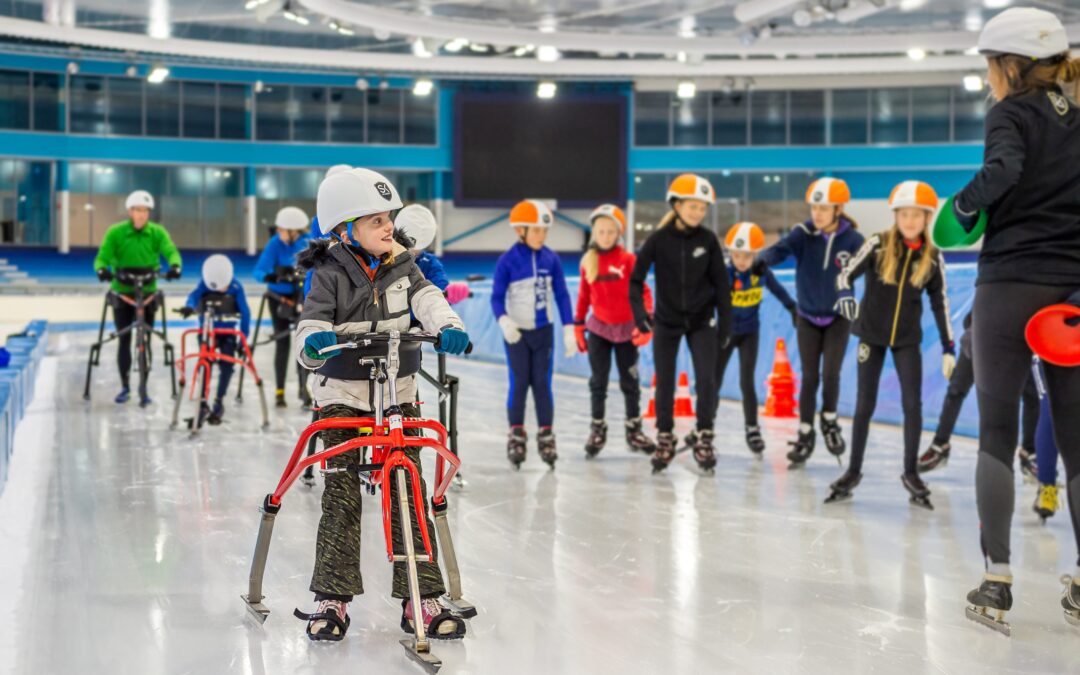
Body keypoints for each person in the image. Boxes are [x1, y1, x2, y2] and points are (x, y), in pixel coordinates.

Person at [936, 7, 1080, 632]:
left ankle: (997, 583)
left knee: (996, 429)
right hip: (1071, 289)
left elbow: (1003, 172)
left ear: (1010, 65)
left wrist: (964, 205)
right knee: (1077, 441)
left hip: (1010, 285)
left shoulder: (1010, 113)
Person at [293, 167, 471, 642]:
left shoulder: (403, 264)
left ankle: (422, 596)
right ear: (344, 229)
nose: (388, 226)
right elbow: (310, 324)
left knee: (408, 488)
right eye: (375, 220)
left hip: (398, 393)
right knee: (342, 495)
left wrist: (448, 324)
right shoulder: (328, 273)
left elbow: (429, 298)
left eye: (388, 216)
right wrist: (314, 345)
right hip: (344, 397)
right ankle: (332, 598)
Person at [824, 181, 954, 509]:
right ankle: (853, 471)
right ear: (895, 216)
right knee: (864, 405)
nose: (910, 221)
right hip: (871, 335)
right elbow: (844, 275)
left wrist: (949, 347)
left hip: (907, 341)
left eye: (917, 215)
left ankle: (911, 472)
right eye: (904, 214)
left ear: (927, 218)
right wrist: (844, 295)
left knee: (913, 405)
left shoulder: (932, 257)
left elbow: (941, 304)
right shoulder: (877, 244)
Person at [755, 177, 865, 467]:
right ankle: (806, 433)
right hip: (807, 317)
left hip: (838, 318)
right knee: (810, 377)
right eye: (814, 207)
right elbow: (779, 250)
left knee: (831, 373)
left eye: (824, 208)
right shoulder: (802, 233)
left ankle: (829, 419)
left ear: (838, 209)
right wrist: (762, 259)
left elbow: (872, 266)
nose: (817, 213)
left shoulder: (853, 240)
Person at [629, 174, 732, 474]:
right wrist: (640, 316)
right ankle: (665, 437)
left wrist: (726, 324)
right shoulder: (658, 240)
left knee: (706, 379)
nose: (698, 213)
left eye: (702, 208)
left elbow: (722, 287)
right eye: (692, 206)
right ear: (676, 205)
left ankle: (704, 436)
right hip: (667, 321)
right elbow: (635, 281)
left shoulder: (708, 240)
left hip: (702, 321)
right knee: (665, 381)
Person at [491, 199, 576, 470]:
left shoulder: (552, 259)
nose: (542, 236)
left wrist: (569, 328)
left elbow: (562, 295)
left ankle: (546, 433)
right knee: (520, 382)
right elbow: (496, 297)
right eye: (536, 230)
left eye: (544, 231)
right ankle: (516, 433)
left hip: (543, 332)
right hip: (517, 333)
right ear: (521, 230)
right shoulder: (507, 261)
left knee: (542, 383)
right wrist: (504, 321)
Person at [574, 204, 657, 458]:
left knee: (629, 382)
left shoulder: (630, 260)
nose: (606, 236)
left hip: (626, 331)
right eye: (601, 231)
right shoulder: (589, 262)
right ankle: (597, 428)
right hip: (599, 329)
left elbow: (643, 291)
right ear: (594, 233)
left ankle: (634, 430)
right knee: (598, 382)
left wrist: (647, 322)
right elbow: (584, 295)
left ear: (619, 233)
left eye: (611, 232)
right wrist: (578, 325)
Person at [917, 312, 1040, 477]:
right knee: (956, 391)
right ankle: (940, 445)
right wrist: (972, 327)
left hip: (1017, 344)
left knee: (1031, 395)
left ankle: (1028, 452)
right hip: (978, 340)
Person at [93, 189, 182, 406]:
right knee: (125, 339)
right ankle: (125, 386)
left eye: (145, 211)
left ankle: (143, 386)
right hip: (123, 293)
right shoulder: (116, 232)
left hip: (148, 293)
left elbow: (170, 250)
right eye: (138, 210)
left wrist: (175, 265)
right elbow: (102, 257)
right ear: (130, 211)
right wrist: (102, 270)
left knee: (146, 339)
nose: (142, 215)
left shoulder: (157, 232)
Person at [717, 222, 798, 454]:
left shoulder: (760, 271)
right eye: (737, 255)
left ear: (756, 255)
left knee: (747, 382)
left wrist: (794, 309)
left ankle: (752, 429)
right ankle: (705, 427)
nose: (742, 261)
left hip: (749, 332)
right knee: (714, 381)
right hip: (725, 333)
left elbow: (779, 291)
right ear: (730, 254)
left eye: (747, 256)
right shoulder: (724, 274)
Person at [179, 254, 251, 425]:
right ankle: (203, 402)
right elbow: (194, 296)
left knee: (227, 365)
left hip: (228, 334)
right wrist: (189, 307)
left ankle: (219, 400)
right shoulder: (205, 284)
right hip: (207, 333)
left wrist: (243, 340)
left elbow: (245, 314)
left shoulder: (236, 287)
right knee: (205, 363)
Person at [253, 206, 311, 408]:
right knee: (282, 342)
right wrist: (270, 276)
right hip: (277, 298)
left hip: (299, 298)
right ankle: (280, 391)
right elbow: (258, 271)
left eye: (282, 230)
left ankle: (304, 390)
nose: (278, 232)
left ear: (294, 230)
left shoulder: (306, 242)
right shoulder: (274, 244)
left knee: (301, 343)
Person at [394, 204, 471, 304]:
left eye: (414, 249)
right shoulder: (381, 258)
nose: (409, 252)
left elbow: (440, 287)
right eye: (403, 244)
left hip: (418, 317)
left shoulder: (430, 263)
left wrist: (448, 293)